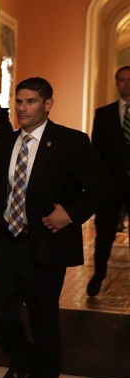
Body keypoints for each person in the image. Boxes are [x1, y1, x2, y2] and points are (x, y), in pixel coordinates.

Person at [0, 77, 109, 378]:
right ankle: (22, 361)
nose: (23, 108)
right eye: (19, 101)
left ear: (47, 104)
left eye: (31, 102)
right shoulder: (6, 142)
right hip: (7, 240)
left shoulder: (70, 142)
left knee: (43, 319)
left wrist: (70, 213)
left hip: (45, 243)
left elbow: (101, 187)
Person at [87, 66, 130, 296]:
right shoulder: (103, 114)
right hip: (111, 187)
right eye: (122, 80)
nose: (126, 84)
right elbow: (96, 151)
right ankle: (98, 274)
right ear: (117, 83)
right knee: (104, 233)